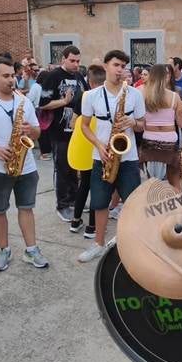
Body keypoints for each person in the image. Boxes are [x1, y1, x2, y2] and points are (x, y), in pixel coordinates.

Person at [0, 56, 48, 271]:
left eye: (13, 76)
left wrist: (31, 131)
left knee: (26, 208)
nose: (11, 80)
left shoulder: (23, 101)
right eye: (5, 76)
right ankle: (4, 250)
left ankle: (31, 250)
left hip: (27, 166)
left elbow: (37, 131)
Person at [77, 50, 146, 262]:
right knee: (99, 202)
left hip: (128, 158)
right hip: (102, 156)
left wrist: (133, 123)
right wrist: (98, 145)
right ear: (105, 66)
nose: (120, 70)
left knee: (133, 204)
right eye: (116, 65)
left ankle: (134, 246)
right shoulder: (91, 96)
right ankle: (98, 244)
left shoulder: (134, 94)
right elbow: (85, 126)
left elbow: (143, 124)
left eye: (123, 66)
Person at [38, 46, 88, 223]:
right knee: (63, 168)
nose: (75, 64)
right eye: (72, 60)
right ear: (63, 60)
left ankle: (75, 199)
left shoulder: (80, 76)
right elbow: (43, 104)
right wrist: (64, 101)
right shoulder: (53, 76)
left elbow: (87, 96)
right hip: (59, 132)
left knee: (75, 167)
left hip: (78, 132)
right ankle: (62, 205)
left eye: (78, 61)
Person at [68, 64, 106, 234]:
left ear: (89, 82)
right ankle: (92, 227)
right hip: (98, 145)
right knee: (96, 186)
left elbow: (72, 123)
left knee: (84, 183)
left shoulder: (81, 96)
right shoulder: (107, 97)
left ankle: (75, 221)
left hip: (83, 144)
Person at [139, 64, 182, 189]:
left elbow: (139, 120)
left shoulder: (142, 93)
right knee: (174, 181)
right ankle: (177, 207)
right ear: (165, 78)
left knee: (150, 182)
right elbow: (181, 124)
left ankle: (152, 204)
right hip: (169, 141)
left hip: (149, 139)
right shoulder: (175, 96)